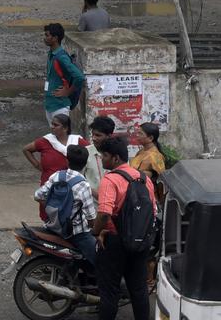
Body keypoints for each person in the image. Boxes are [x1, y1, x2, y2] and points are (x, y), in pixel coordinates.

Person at [91, 137, 158, 320]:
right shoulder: (144, 178)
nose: (102, 159)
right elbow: (153, 210)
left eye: (104, 155)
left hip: (114, 241)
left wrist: (96, 232)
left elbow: (104, 213)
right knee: (138, 289)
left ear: (116, 158)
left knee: (109, 291)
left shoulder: (110, 179)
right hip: (141, 242)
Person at [34, 144, 98, 266]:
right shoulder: (83, 185)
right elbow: (91, 218)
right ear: (85, 164)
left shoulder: (57, 175)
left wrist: (53, 208)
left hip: (53, 226)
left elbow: (38, 195)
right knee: (99, 260)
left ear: (67, 161)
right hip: (76, 233)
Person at [23, 113, 88, 220]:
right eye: (52, 124)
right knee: (49, 219)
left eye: (56, 125)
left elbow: (91, 153)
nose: (52, 127)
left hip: (71, 189)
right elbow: (26, 149)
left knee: (69, 219)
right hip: (49, 188)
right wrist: (37, 165)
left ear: (65, 128)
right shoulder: (45, 141)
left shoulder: (77, 141)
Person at [43, 23, 84, 125]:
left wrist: (68, 91)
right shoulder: (52, 54)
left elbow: (79, 77)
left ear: (55, 38)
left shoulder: (61, 57)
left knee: (61, 137)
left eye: (47, 35)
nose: (45, 38)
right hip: (51, 104)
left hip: (59, 105)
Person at [84, 115, 115, 198]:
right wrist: (95, 194)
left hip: (114, 205)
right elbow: (78, 180)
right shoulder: (85, 152)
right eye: (92, 134)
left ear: (109, 136)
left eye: (98, 135)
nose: (93, 138)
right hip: (91, 206)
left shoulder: (118, 153)